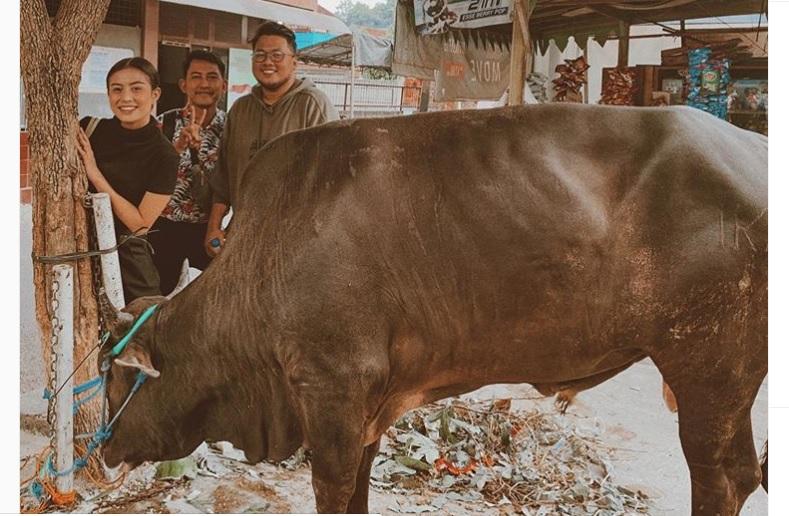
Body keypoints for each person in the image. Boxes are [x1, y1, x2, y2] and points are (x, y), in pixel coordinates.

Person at [205, 21, 339, 256]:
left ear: (294, 62)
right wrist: (214, 227)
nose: (267, 62)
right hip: (243, 235)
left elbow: (331, 183)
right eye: (260, 55)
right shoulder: (239, 110)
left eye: (277, 55)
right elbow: (224, 178)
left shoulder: (313, 105)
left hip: (297, 242)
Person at [76, 57, 179, 302]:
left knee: (136, 336)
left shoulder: (164, 155)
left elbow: (140, 225)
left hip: (128, 263)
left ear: (155, 94)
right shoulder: (89, 129)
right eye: (117, 89)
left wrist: (95, 174)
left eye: (136, 88)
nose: (126, 98)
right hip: (80, 252)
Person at [149, 50, 228, 293]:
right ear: (184, 85)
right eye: (196, 77)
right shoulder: (163, 123)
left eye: (212, 77)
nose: (204, 84)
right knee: (158, 298)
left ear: (223, 85)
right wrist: (178, 148)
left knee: (219, 295)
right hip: (164, 229)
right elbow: (148, 174)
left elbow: (232, 180)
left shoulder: (232, 128)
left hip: (211, 228)